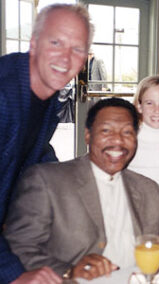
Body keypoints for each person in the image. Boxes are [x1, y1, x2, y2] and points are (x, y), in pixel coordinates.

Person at [4, 98, 159, 281]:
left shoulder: (148, 189)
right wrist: (68, 270)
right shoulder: (46, 181)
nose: (117, 140)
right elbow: (18, 247)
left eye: (127, 132)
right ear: (88, 135)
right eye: (106, 131)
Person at [0, 4, 93, 283]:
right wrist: (14, 275)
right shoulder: (3, 97)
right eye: (56, 42)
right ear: (34, 42)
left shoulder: (47, 95)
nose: (66, 58)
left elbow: (32, 153)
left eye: (77, 48)